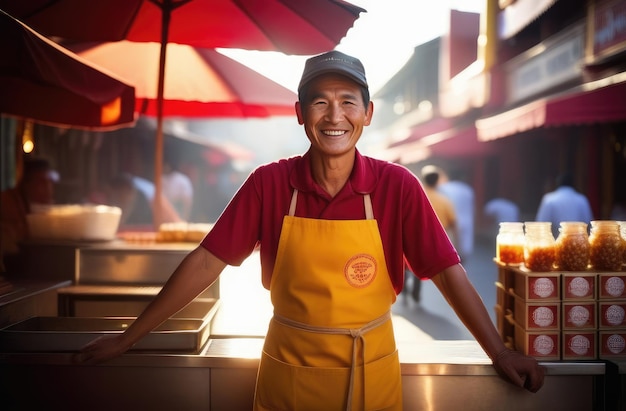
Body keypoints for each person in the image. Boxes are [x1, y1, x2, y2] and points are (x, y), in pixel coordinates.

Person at [77, 50, 544, 409]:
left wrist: (499, 353)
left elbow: (447, 272)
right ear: (300, 113)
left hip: (371, 372)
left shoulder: (397, 185)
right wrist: (128, 337)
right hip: (288, 374)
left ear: (367, 113)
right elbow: (206, 260)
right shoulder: (269, 183)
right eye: (320, 102)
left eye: (347, 102)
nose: (334, 116)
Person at [404, 165, 459, 303]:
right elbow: (453, 223)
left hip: (410, 236)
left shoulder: (414, 195)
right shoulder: (444, 200)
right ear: (437, 181)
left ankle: (404, 286)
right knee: (421, 263)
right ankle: (416, 291)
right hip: (433, 241)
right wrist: (457, 243)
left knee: (405, 262)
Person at [1, 157, 58, 273]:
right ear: (26, 184)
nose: (48, 189)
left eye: (49, 183)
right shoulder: (6, 203)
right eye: (41, 183)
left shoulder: (39, 208)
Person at [535, 173, 593, 237]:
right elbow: (589, 223)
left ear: (557, 184)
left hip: (555, 244)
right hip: (578, 243)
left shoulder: (549, 199)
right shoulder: (582, 199)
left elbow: (540, 224)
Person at [439, 168, 475, 259]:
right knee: (464, 252)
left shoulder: (443, 188)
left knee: (449, 252)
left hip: (450, 222)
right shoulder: (468, 189)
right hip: (467, 222)